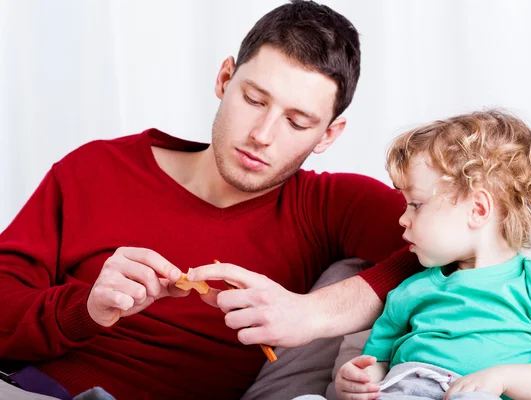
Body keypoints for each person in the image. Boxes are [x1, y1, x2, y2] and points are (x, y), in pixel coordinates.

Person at [0, 1, 421, 399]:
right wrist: (86, 308)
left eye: (296, 122)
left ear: (328, 134)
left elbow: (467, 253)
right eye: (254, 100)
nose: (263, 134)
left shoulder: (332, 205)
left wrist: (311, 313)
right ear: (224, 79)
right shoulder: (97, 168)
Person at [334, 110, 531, 400]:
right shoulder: (409, 290)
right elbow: (378, 363)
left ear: (478, 210)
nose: (402, 219)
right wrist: (358, 379)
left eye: (416, 205)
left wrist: (502, 378)